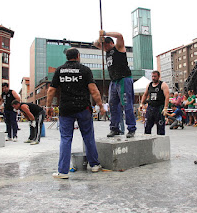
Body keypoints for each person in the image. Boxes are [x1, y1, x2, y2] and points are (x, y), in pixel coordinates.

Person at [46, 48, 105, 179]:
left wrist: (48, 106)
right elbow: (94, 90)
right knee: (88, 136)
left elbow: (51, 91)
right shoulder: (85, 70)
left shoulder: (60, 70)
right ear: (78, 56)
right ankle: (95, 165)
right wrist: (101, 106)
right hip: (83, 108)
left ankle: (62, 172)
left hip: (66, 109)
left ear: (67, 57)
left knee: (66, 139)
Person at [94, 31, 136, 138]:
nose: (104, 49)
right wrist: (100, 37)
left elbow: (120, 35)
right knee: (112, 105)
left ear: (111, 43)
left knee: (127, 104)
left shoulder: (118, 47)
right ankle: (114, 128)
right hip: (114, 81)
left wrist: (106, 33)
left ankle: (131, 128)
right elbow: (95, 43)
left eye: (106, 46)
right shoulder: (106, 50)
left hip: (124, 78)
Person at [140, 71, 169, 135]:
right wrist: (141, 103)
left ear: (158, 76)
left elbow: (167, 96)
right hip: (150, 107)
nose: (153, 78)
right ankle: (147, 140)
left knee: (160, 126)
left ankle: (161, 142)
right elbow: (145, 94)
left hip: (159, 107)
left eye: (155, 76)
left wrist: (165, 107)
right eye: (152, 76)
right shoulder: (149, 85)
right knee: (147, 126)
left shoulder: (163, 84)